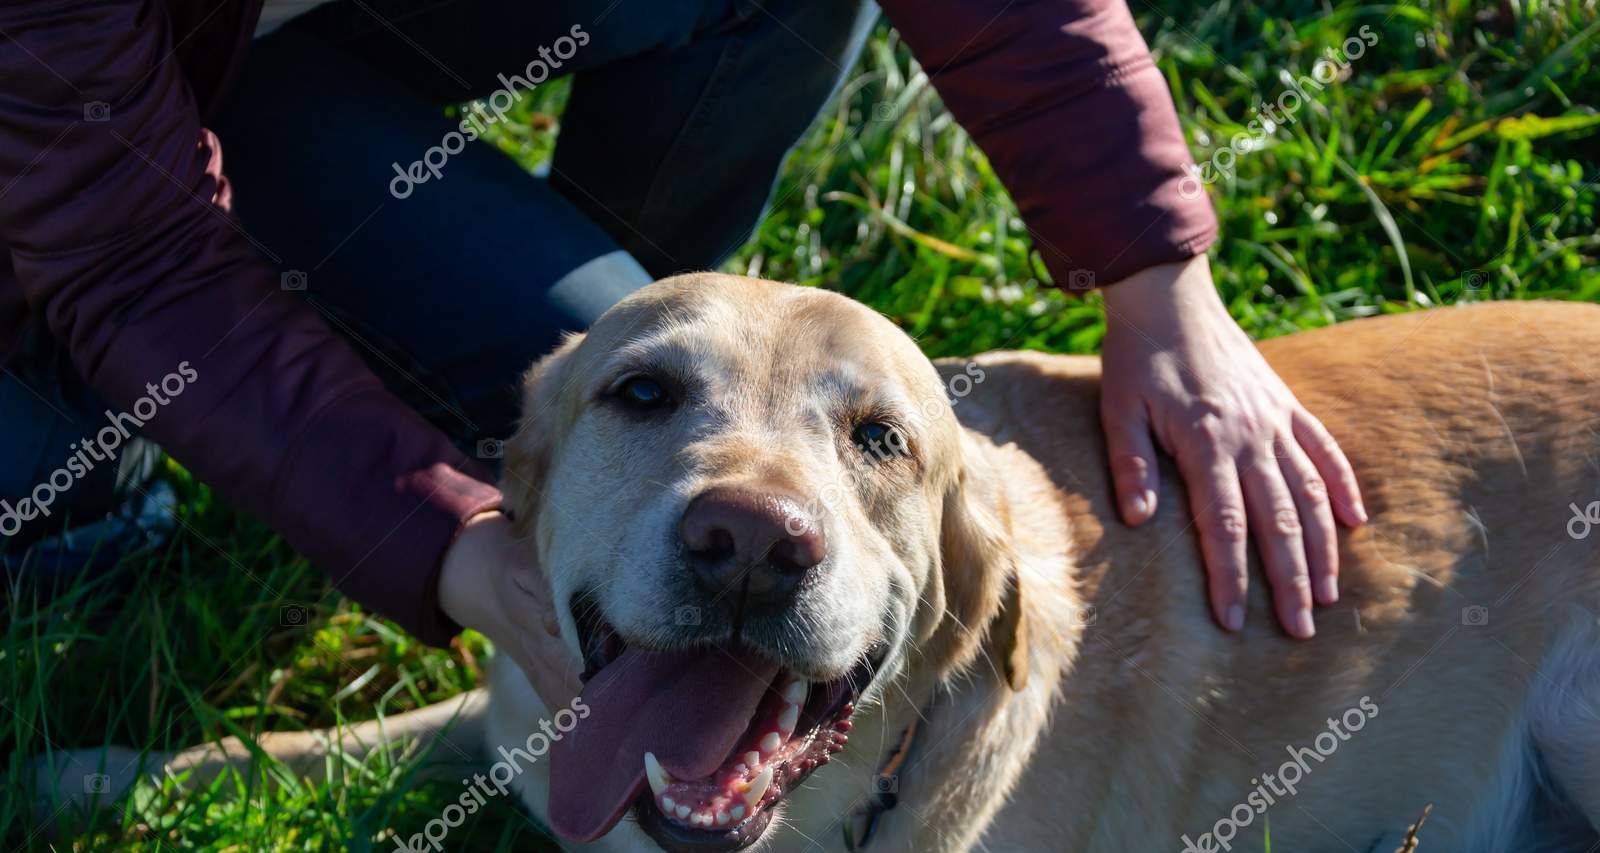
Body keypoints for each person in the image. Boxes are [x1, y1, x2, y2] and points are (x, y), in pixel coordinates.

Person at [0, 0, 1365, 707]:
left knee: (610, 370)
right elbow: (129, 258)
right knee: (65, 504)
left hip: (259, 47)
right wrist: (444, 539)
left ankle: (570, 416)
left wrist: (1156, 277)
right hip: (53, 158)